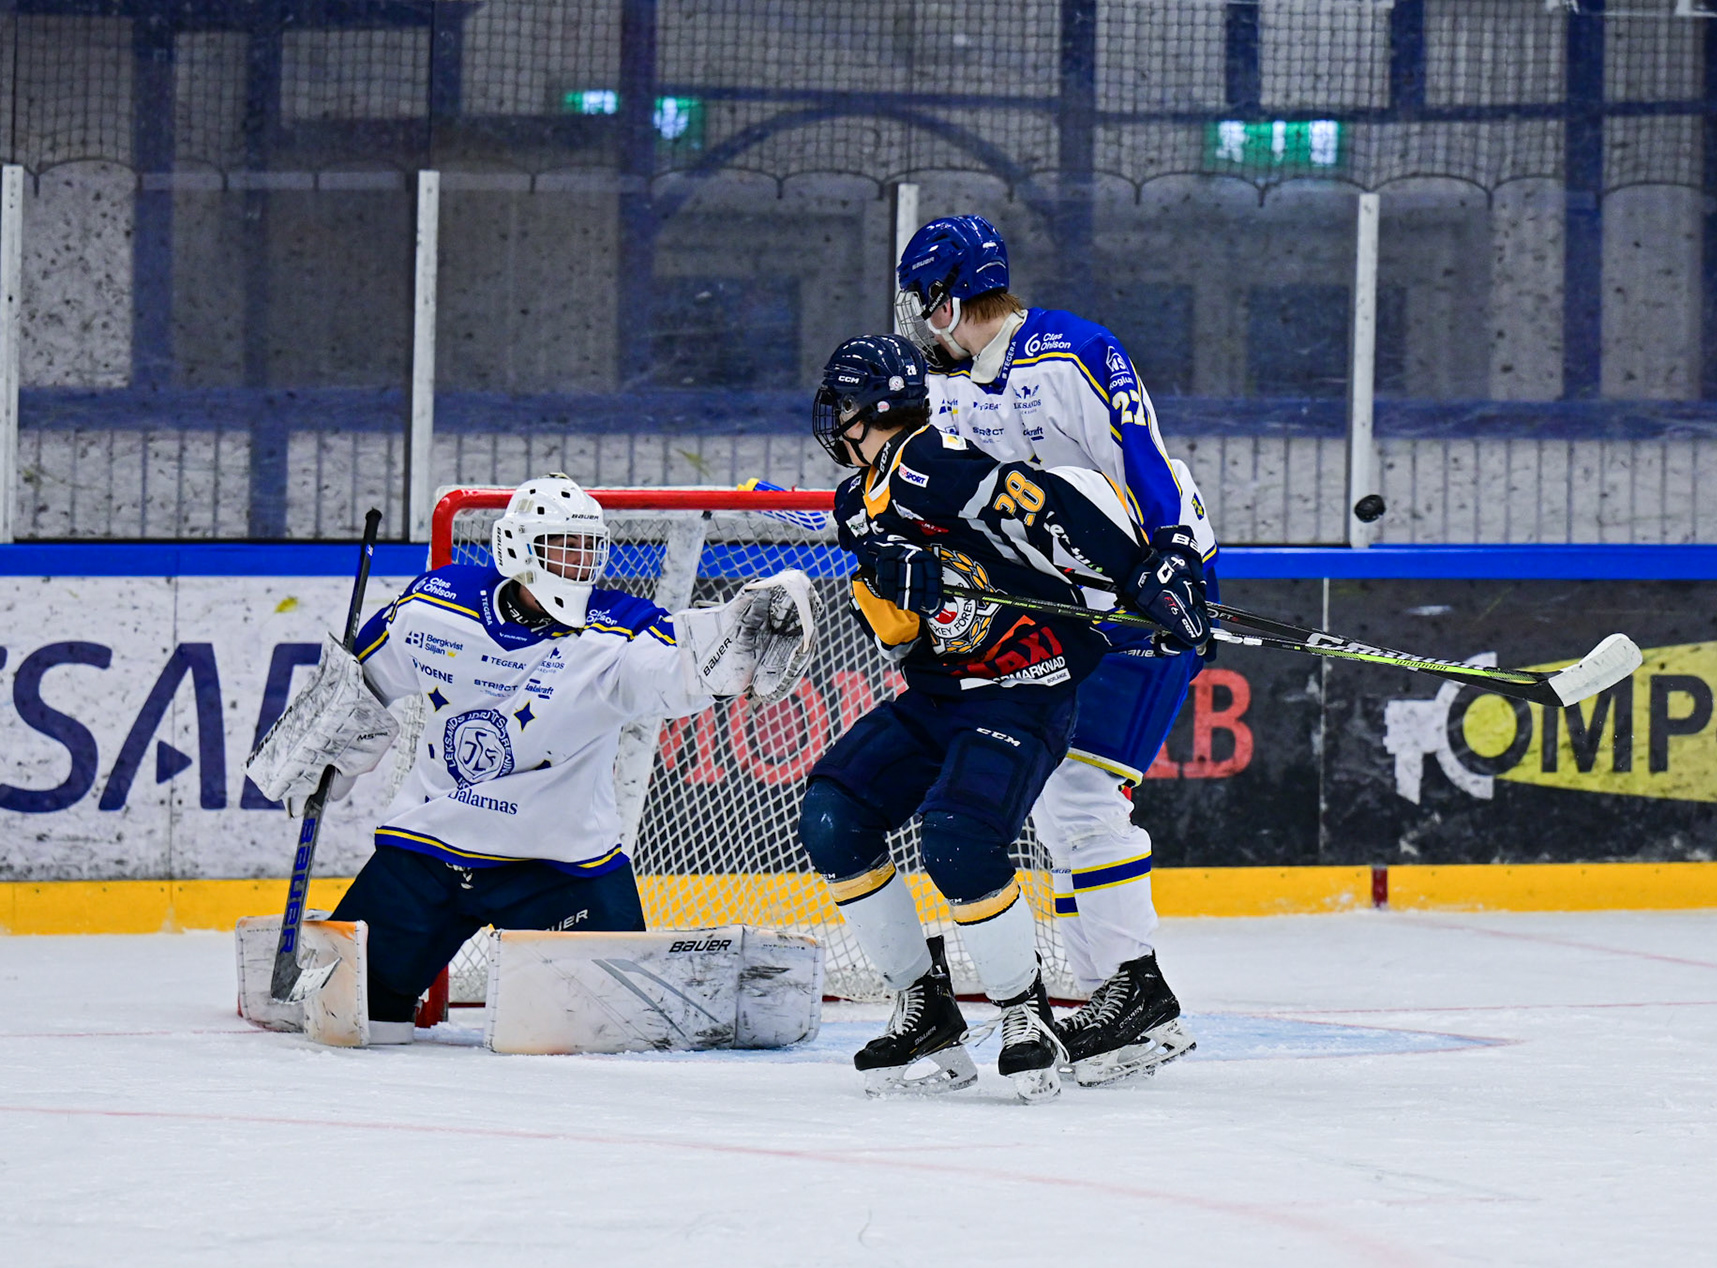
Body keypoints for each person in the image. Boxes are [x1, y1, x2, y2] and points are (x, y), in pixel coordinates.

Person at [245, 473, 815, 1043]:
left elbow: (682, 665)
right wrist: (317, 747)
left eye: (588, 548)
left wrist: (736, 639)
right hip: (429, 850)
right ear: (517, 548)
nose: (579, 562)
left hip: (561, 867)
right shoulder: (434, 606)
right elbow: (359, 686)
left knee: (611, 1035)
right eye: (563, 546)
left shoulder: (617, 632)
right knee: (354, 1022)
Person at [795, 334, 1208, 1102]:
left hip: (1023, 688)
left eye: (843, 404)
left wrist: (1143, 580)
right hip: (940, 696)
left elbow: (1047, 506)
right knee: (831, 815)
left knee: (959, 840)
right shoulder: (856, 503)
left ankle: (1026, 1014)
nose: (834, 418)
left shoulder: (933, 464)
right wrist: (900, 590)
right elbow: (898, 636)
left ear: (870, 409)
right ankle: (925, 1008)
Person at [894, 214, 1217, 1084]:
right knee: (1054, 797)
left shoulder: (1073, 353)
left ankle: (1135, 989)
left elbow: (1145, 459)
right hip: (1071, 604)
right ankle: (1118, 991)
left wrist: (1172, 559)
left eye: (923, 301)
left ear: (950, 297)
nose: (918, 319)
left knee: (1079, 791)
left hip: (1147, 587)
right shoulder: (947, 387)